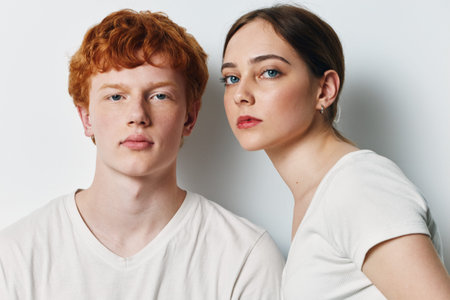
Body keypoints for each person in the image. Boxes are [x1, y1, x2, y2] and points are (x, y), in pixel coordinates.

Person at [0, 9, 285, 299]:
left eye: (159, 95)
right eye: (116, 96)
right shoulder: (16, 256)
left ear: (190, 117)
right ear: (86, 118)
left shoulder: (245, 258)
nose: (137, 115)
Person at [221, 4, 450, 299]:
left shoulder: (358, 186)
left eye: (269, 72)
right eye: (231, 78)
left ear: (325, 89)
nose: (241, 94)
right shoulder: (324, 195)